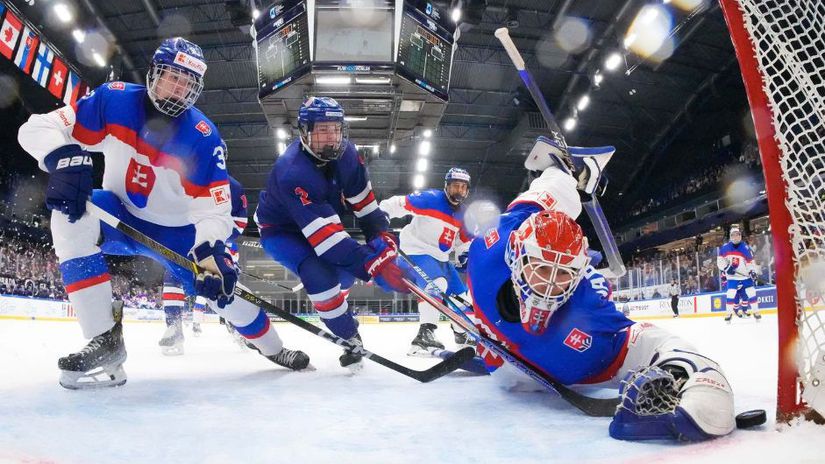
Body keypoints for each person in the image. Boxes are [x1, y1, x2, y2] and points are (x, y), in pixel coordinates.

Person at [17, 37, 309, 389]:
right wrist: (60, 156)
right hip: (119, 216)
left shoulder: (203, 137)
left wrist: (211, 251)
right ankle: (104, 341)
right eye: (173, 76)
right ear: (154, 72)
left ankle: (274, 348)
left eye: (189, 83)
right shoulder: (113, 99)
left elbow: (214, 210)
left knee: (225, 297)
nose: (179, 89)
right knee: (69, 215)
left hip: (177, 235)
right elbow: (36, 127)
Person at [464, 137, 735, 441]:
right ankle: (571, 171)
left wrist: (681, 372)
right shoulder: (489, 247)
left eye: (564, 274)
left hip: (547, 375)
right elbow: (534, 202)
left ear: (579, 271)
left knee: (658, 342)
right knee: (545, 196)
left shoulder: (588, 304)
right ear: (515, 257)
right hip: (510, 373)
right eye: (540, 268)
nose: (550, 287)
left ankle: (704, 389)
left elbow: (641, 340)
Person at [254, 96, 410, 370]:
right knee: (319, 273)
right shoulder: (292, 171)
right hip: (282, 231)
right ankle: (350, 335)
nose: (332, 137)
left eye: (336, 129)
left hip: (319, 224)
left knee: (346, 273)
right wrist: (375, 266)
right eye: (322, 130)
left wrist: (381, 237)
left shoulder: (348, 154)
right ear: (305, 132)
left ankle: (342, 319)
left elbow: (366, 206)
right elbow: (329, 243)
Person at [379, 167, 475, 356]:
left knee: (463, 298)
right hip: (415, 252)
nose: (459, 191)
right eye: (456, 186)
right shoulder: (431, 199)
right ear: (446, 186)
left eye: (463, 188)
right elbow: (397, 204)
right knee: (437, 284)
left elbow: (463, 241)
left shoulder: (464, 214)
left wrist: (465, 254)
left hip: (442, 258)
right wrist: (380, 216)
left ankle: (462, 335)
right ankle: (424, 335)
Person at [158, 175, 248, 355]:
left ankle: (239, 327)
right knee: (171, 274)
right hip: (187, 245)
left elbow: (239, 224)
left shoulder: (233, 187)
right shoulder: (179, 179)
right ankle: (174, 327)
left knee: (222, 285)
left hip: (216, 246)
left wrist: (212, 239)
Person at [717, 226, 762, 323]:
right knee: (730, 293)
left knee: (751, 292)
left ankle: (756, 312)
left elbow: (749, 262)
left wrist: (752, 271)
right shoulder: (725, 248)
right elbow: (720, 261)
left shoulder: (745, 247)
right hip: (732, 276)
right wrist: (726, 268)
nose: (735, 237)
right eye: (733, 235)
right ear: (730, 236)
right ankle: (728, 314)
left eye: (737, 235)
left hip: (745, 275)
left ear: (740, 236)